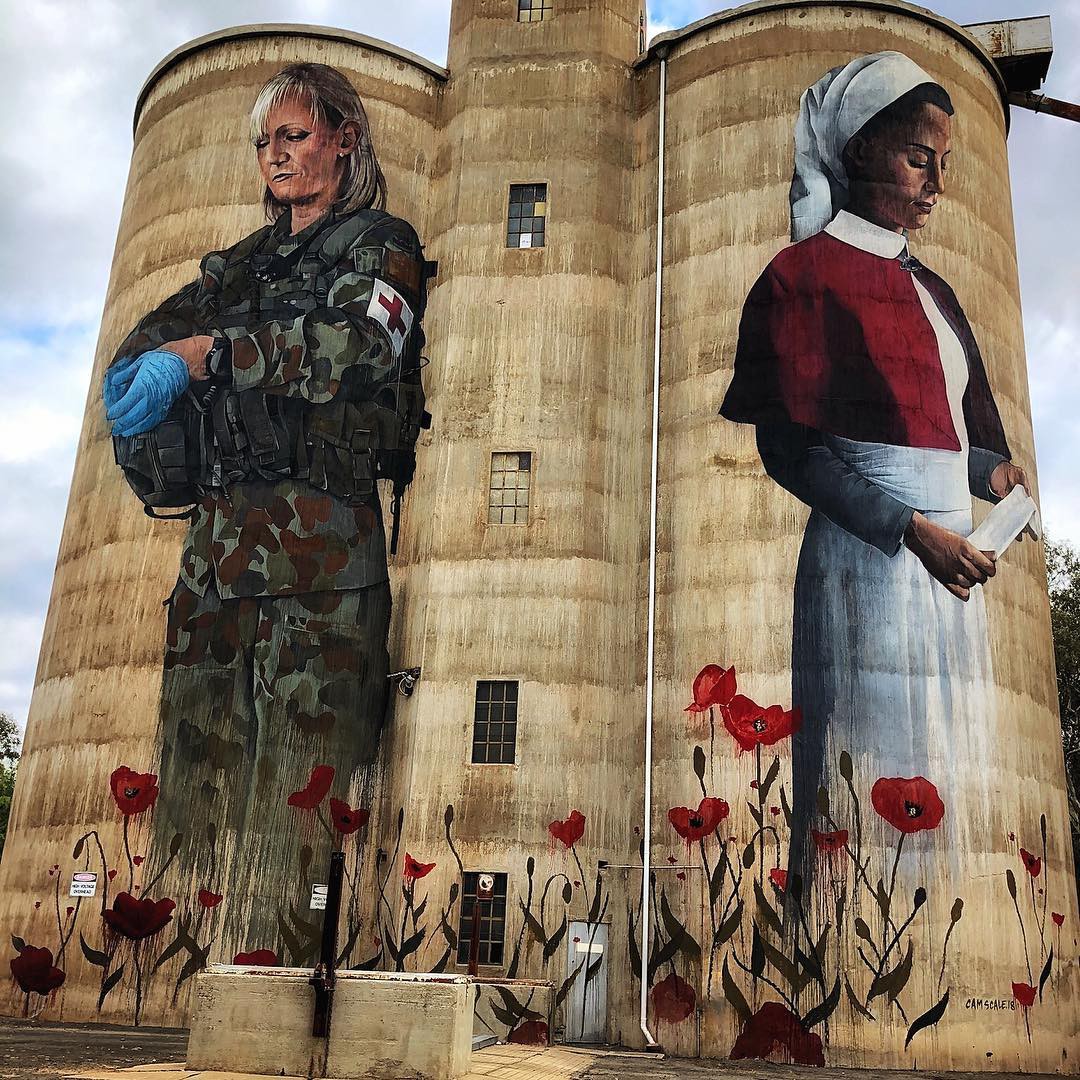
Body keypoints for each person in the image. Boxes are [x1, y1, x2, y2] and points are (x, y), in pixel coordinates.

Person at [103, 62, 429, 958]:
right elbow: (146, 342)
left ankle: (286, 994)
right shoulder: (239, 268)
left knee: (302, 796)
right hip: (214, 562)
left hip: (320, 565)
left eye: (294, 135)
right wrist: (140, 373)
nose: (276, 156)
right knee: (197, 787)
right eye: (264, 142)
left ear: (344, 140)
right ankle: (198, 990)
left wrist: (212, 356)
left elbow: (361, 346)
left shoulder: (380, 245)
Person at [720, 52, 1029, 898]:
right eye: (918, 159)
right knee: (865, 784)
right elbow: (793, 450)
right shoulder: (800, 279)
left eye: (945, 165)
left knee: (954, 785)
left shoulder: (936, 290)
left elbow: (941, 430)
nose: (936, 186)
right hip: (868, 568)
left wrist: (992, 473)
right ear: (858, 152)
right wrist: (911, 531)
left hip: (954, 565)